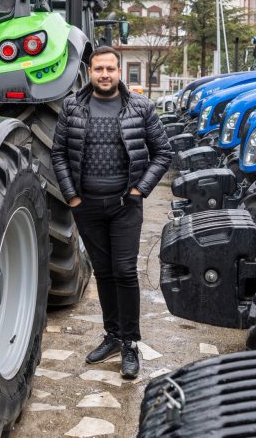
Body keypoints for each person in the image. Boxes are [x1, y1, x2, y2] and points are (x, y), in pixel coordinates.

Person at [51, 46, 173, 379]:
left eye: (110, 69)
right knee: (103, 272)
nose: (104, 74)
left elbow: (163, 153)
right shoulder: (73, 107)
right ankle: (113, 337)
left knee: (124, 271)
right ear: (89, 72)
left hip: (125, 206)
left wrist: (139, 190)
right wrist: (72, 197)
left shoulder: (141, 107)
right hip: (86, 206)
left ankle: (131, 343)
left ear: (119, 72)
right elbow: (59, 154)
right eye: (98, 69)